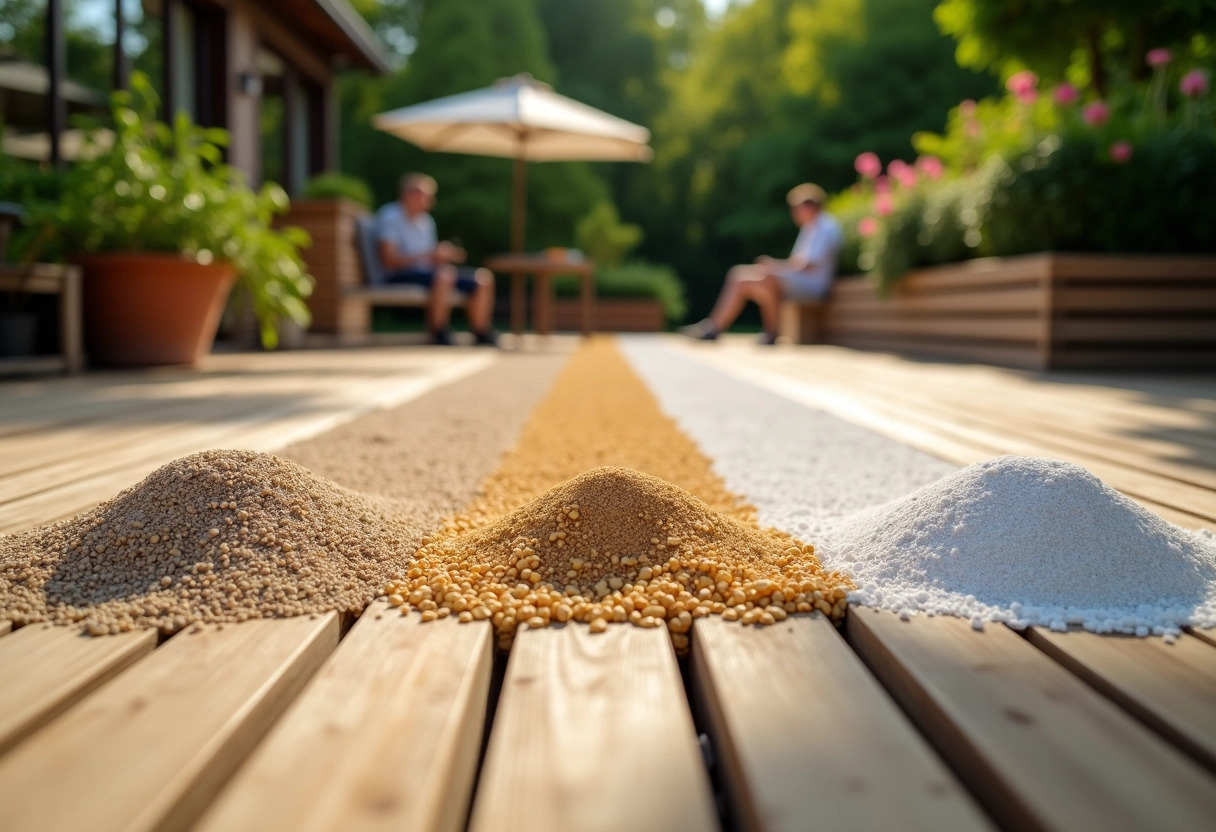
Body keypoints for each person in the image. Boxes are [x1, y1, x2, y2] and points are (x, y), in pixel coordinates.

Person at [681, 182, 842, 345]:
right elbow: (800, 263)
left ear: (809, 207)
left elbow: (808, 265)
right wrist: (775, 267)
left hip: (814, 285)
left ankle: (770, 333)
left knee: (768, 277)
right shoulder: (811, 228)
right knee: (739, 275)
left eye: (796, 208)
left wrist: (775, 266)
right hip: (804, 281)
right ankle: (714, 327)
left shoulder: (824, 226)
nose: (793, 213)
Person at [377, 173, 498, 346]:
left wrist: (444, 256)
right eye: (427, 196)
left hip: (429, 274)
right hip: (398, 274)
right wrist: (429, 254)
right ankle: (438, 331)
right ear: (409, 194)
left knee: (482, 278)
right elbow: (388, 260)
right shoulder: (390, 216)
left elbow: (430, 261)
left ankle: (481, 331)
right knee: (444, 275)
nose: (430, 201)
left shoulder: (427, 221)